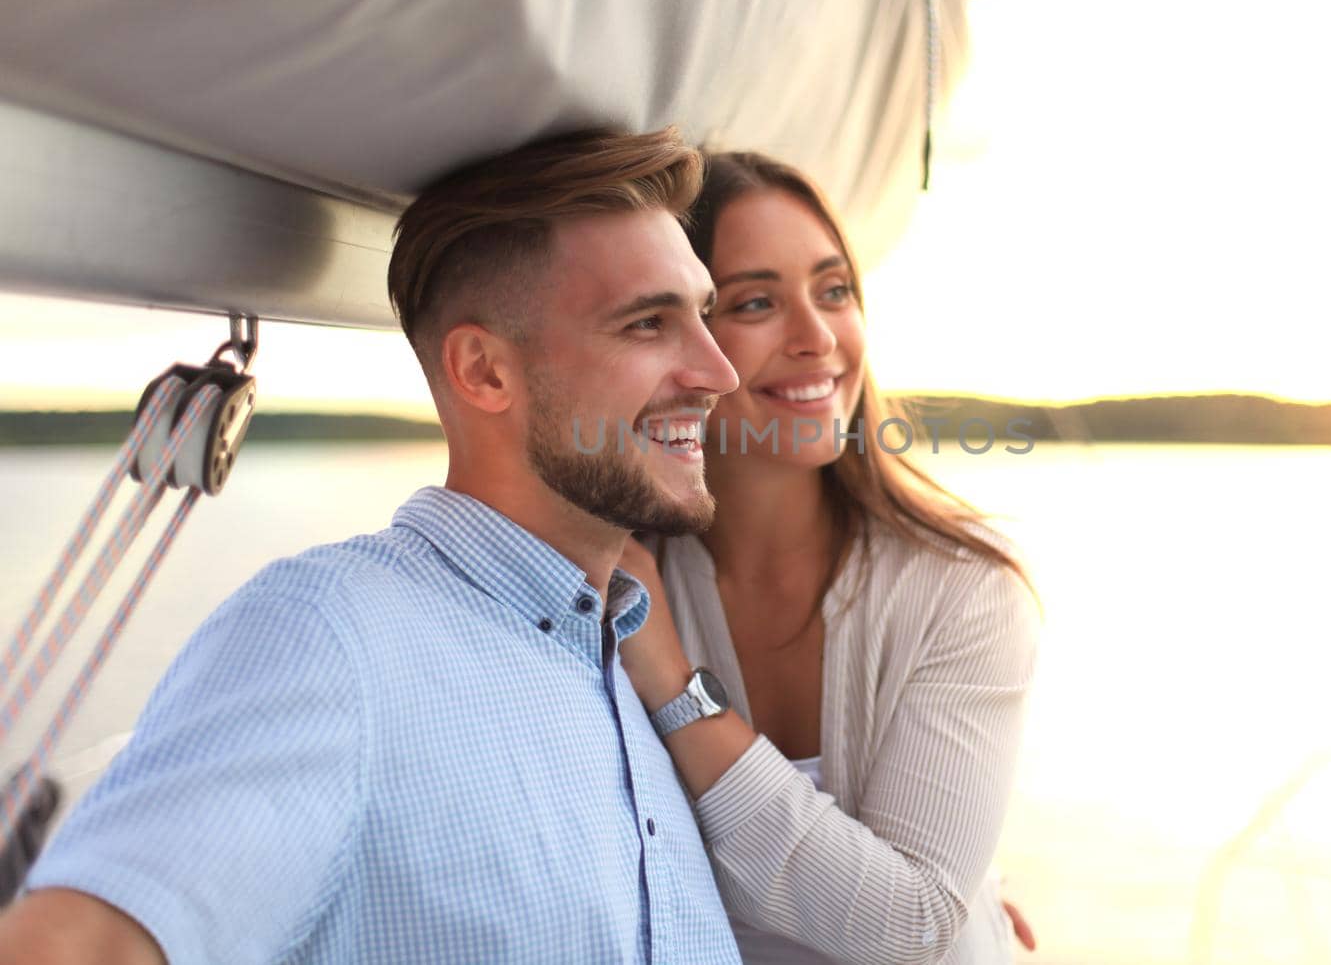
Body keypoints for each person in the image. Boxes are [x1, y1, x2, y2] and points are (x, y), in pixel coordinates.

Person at [0, 128, 745, 964]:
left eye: (705, 315)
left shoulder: (616, 651)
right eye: (649, 324)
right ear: (484, 372)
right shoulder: (327, 636)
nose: (719, 371)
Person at [617, 151, 1040, 964]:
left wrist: (675, 688)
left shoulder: (965, 587)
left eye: (834, 289)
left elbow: (910, 925)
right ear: (680, 335)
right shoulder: (624, 578)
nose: (817, 338)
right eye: (756, 302)